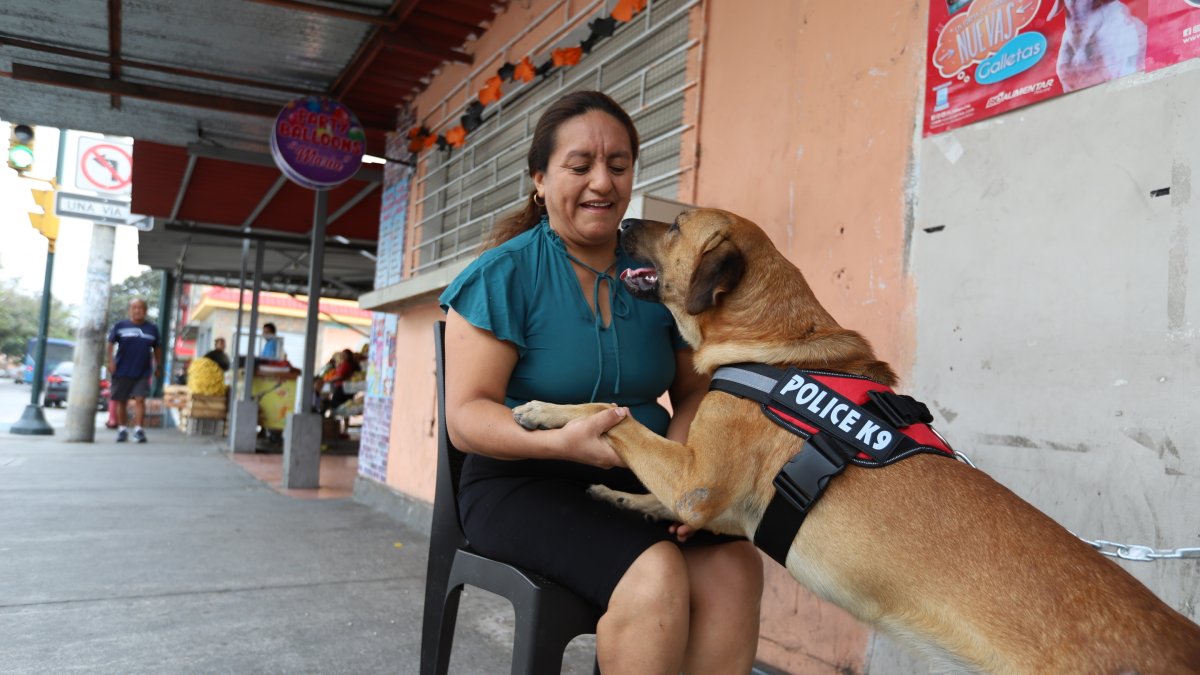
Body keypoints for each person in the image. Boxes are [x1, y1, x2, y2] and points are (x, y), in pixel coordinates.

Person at [440, 91, 763, 674]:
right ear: (540, 178)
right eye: (579, 165)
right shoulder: (503, 275)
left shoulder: (660, 270)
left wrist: (687, 473)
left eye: (618, 166)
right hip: (525, 478)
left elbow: (694, 392)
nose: (602, 182)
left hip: (643, 472)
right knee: (654, 573)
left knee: (735, 568)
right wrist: (554, 442)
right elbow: (466, 416)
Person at [106, 298, 162, 443]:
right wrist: (110, 362)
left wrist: (159, 366)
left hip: (143, 370)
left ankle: (138, 430)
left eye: (141, 308)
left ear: (146, 311)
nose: (138, 310)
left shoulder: (152, 329)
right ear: (130, 310)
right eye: (134, 307)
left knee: (140, 399)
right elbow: (110, 343)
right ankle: (122, 429)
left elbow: (157, 348)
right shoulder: (120, 326)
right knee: (122, 401)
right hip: (122, 370)